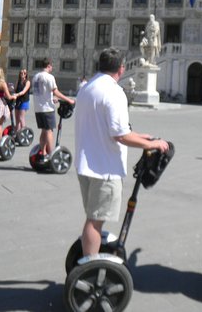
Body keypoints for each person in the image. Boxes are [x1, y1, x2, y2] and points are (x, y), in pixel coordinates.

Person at [74, 47, 169, 257]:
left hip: (86, 164)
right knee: (94, 222)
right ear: (122, 68)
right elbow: (120, 136)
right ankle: (89, 268)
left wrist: (141, 136)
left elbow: (108, 127)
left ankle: (87, 262)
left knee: (92, 217)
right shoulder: (114, 91)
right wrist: (152, 145)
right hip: (104, 168)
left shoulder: (87, 88)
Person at [31, 58, 75, 158]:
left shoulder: (36, 77)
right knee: (49, 131)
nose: (52, 68)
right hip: (47, 109)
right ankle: (52, 155)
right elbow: (55, 91)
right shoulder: (49, 77)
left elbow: (43, 92)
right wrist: (69, 100)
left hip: (38, 108)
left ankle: (43, 152)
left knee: (44, 130)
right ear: (49, 65)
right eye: (52, 66)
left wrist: (52, 98)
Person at [13, 69, 31, 133]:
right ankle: (17, 133)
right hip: (17, 101)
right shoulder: (18, 81)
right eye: (21, 73)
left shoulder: (27, 82)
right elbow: (14, 90)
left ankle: (24, 133)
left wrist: (17, 94)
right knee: (17, 118)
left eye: (24, 73)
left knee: (21, 118)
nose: (23, 74)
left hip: (24, 101)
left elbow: (24, 91)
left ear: (26, 74)